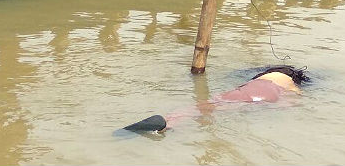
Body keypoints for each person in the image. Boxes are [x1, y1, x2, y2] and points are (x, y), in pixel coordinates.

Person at [122, 66, 310, 133]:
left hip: (251, 90)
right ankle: (168, 126)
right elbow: (291, 102)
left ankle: (170, 121)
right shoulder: (290, 83)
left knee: (207, 105)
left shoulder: (265, 77)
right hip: (264, 97)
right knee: (219, 110)